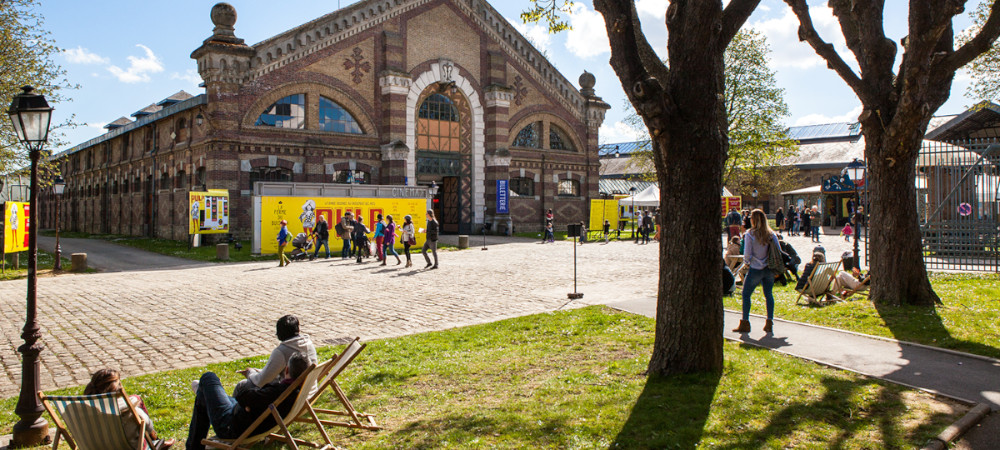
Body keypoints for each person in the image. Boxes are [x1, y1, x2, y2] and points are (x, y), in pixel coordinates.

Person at [186, 353, 310, 450]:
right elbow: (248, 399)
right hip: (245, 416)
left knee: (208, 378)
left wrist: (251, 399)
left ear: (287, 370)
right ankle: (202, 394)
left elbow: (243, 395)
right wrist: (249, 404)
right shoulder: (298, 390)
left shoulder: (279, 391)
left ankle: (193, 447)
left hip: (231, 425)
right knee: (204, 394)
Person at [85, 369, 174, 450]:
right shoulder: (128, 410)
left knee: (135, 398)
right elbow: (149, 427)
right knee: (137, 400)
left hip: (98, 446)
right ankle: (155, 441)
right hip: (131, 447)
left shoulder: (81, 410)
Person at [236, 315, 318, 392]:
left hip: (289, 396)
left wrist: (249, 373)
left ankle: (233, 408)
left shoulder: (282, 351)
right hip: (309, 392)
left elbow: (261, 381)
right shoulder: (309, 344)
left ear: (279, 334)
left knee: (242, 385)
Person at [733, 209, 781, 334]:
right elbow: (778, 250)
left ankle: (745, 322)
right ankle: (769, 321)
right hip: (769, 268)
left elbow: (747, 253)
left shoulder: (750, 234)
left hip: (755, 268)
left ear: (753, 220)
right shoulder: (771, 234)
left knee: (746, 294)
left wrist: (746, 262)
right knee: (768, 294)